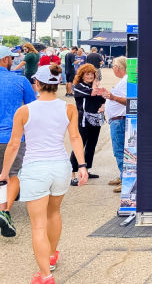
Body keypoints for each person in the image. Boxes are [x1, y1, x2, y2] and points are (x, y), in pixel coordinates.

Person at [0, 64, 88, 284]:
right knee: (54, 213)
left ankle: (45, 276)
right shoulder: (68, 108)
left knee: (38, 224)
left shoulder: (25, 111)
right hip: (60, 167)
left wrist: (4, 172)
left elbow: (13, 145)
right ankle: (51, 255)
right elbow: (76, 138)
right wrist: (82, 166)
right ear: (57, 84)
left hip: (35, 169)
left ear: (37, 84)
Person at [0, 46, 36, 237]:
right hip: (12, 137)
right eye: (11, 58)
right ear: (5, 59)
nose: (13, 61)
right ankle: (5, 211)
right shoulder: (20, 80)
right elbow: (33, 107)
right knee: (12, 175)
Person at [70, 64, 106, 185]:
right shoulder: (79, 87)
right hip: (83, 120)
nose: (90, 76)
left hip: (96, 120)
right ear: (82, 76)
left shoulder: (94, 87)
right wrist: (97, 84)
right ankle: (73, 173)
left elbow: (103, 98)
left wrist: (103, 105)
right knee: (80, 145)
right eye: (87, 74)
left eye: (92, 74)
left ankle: (86, 170)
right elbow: (93, 93)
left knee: (91, 145)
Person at [100, 57, 127, 193]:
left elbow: (129, 101)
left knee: (119, 151)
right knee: (119, 151)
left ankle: (125, 179)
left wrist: (112, 98)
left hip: (119, 121)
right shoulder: (123, 81)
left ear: (118, 68)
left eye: (113, 66)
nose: (112, 69)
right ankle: (124, 177)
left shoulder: (126, 81)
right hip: (117, 120)